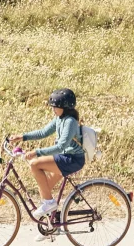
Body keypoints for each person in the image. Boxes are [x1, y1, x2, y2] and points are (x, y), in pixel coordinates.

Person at [7, 88, 86, 219]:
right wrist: (22, 136)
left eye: (56, 107)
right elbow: (43, 132)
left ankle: (49, 204)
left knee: (35, 164)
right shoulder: (59, 118)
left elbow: (61, 146)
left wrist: (37, 153)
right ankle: (50, 226)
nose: (53, 109)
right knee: (45, 189)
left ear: (65, 107)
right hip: (65, 157)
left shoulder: (70, 122)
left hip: (73, 159)